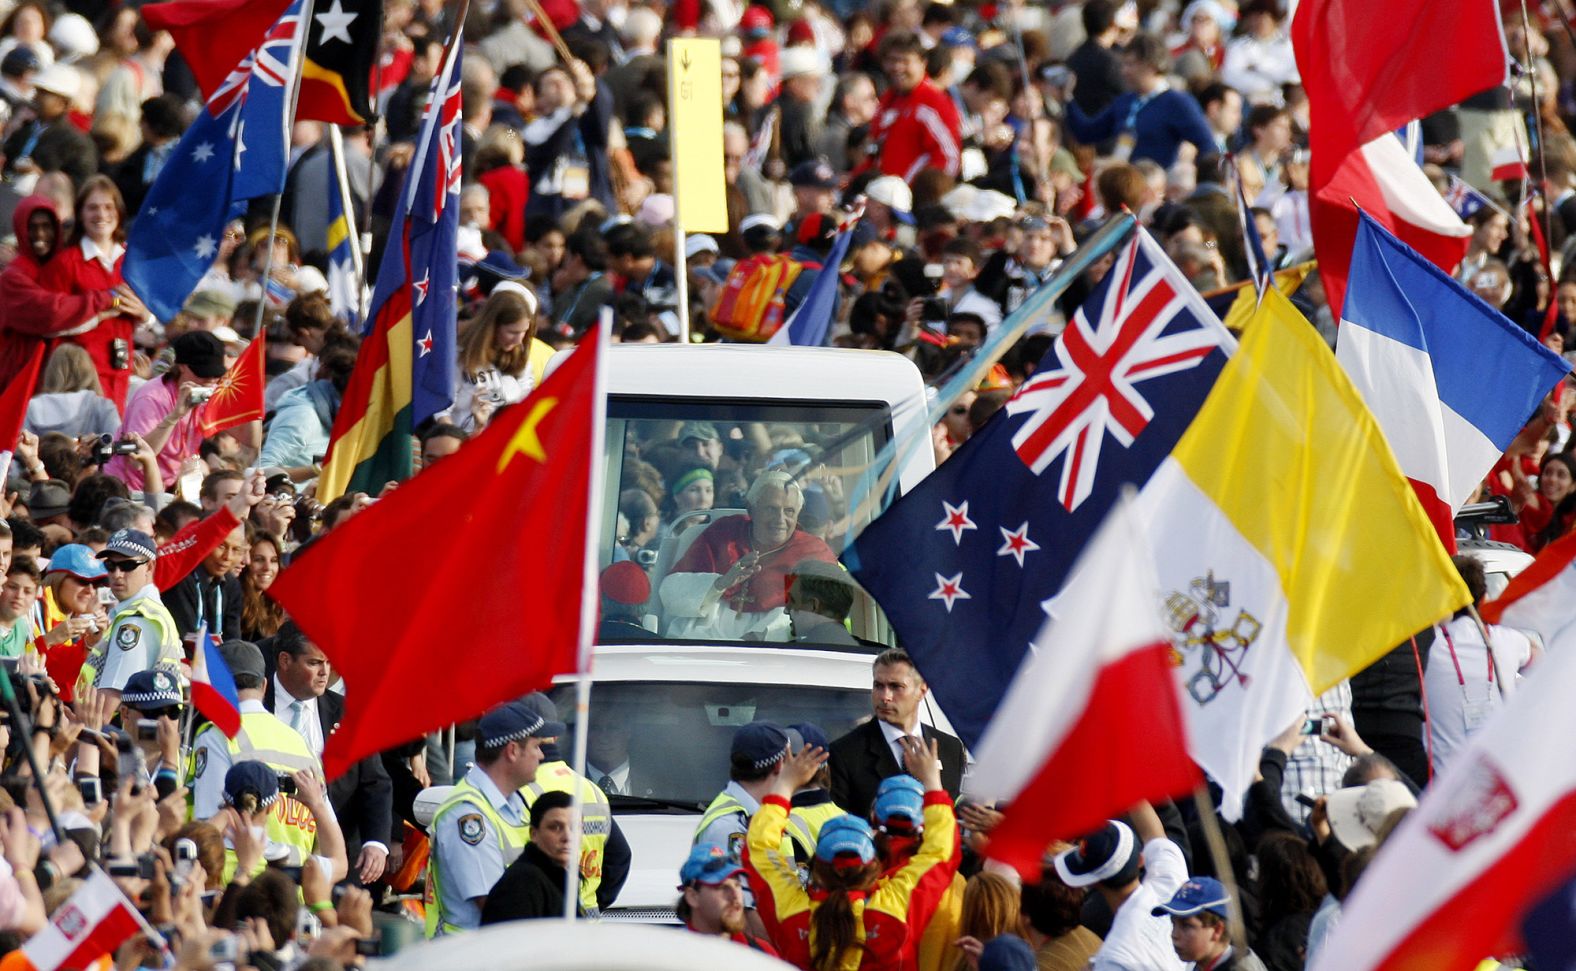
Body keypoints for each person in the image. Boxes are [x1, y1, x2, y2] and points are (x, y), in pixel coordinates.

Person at [744, 735, 960, 971]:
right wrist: (932, 781)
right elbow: (940, 851)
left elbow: (759, 850)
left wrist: (784, 785)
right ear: (873, 866)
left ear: (817, 868)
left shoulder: (793, 913)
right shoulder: (894, 907)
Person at [189, 638, 349, 882]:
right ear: (264, 686)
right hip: (293, 891)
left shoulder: (217, 735)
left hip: (235, 888)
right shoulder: (299, 742)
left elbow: (208, 830)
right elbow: (331, 847)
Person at [263, 623, 392, 886]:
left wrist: (376, 842)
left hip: (336, 857)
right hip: (270, 852)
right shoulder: (256, 704)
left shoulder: (348, 713)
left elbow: (375, 782)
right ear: (285, 661)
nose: (325, 672)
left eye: (328, 662)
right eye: (314, 663)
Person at [425, 701, 558, 936]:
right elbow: (496, 904)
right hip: (472, 956)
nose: (541, 755)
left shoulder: (520, 800)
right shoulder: (467, 817)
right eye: (536, 746)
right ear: (513, 751)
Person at [661, 470, 838, 639]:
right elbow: (669, 593)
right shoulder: (723, 533)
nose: (780, 519)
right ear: (751, 509)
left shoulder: (812, 551)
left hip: (771, 646)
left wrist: (761, 636)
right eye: (771, 509)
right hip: (707, 636)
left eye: (789, 511)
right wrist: (720, 583)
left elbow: (824, 612)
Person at [0, 195, 129, 396]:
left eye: (47, 226)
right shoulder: (13, 276)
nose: (40, 234)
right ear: (20, 230)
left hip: (61, 377)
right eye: (32, 227)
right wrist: (108, 298)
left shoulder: (63, 266)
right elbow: (51, 311)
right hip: (20, 377)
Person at [516, 691, 630, 915]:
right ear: (555, 736)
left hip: (540, 925)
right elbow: (620, 856)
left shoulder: (519, 790)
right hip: (587, 927)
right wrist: (590, 900)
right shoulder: (592, 790)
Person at [1424, 554, 1536, 776]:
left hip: (1438, 784)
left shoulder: (1428, 645)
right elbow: (1539, 660)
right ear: (1484, 598)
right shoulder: (1508, 640)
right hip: (1498, 777)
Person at [40, 175, 144, 410]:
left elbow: (151, 319)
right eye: (92, 208)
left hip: (119, 372)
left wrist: (145, 314)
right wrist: (100, 313)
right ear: (80, 214)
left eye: (108, 207)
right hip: (79, 375)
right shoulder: (66, 261)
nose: (102, 215)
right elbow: (49, 323)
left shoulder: (131, 260)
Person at [829, 648, 965, 817]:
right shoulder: (845, 753)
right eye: (878, 686)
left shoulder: (950, 749)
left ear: (922, 691)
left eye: (896, 687)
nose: (885, 697)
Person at [1054, 804, 1187, 971]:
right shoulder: (1171, 881)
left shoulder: (1114, 958)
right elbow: (1152, 832)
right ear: (1140, 860)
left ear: (1093, 883)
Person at [1063, 33, 1216, 170]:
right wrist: (1068, 98)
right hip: (1124, 186)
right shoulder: (1125, 101)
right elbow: (1086, 133)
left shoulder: (1178, 103)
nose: (1124, 71)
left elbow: (1208, 147)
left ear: (1151, 65)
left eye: (1130, 64)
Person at [102, 331, 229, 491]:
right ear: (182, 366)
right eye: (203, 374)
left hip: (168, 486)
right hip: (129, 487)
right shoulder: (152, 397)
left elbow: (250, 440)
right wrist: (174, 416)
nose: (210, 380)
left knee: (200, 468)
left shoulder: (211, 390)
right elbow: (137, 461)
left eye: (216, 374)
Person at [77, 529, 181, 705]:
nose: (117, 574)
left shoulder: (136, 620)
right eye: (110, 565)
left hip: (115, 729)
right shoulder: (139, 611)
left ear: (149, 566)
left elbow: (111, 698)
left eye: (127, 566)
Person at [451, 282, 553, 431]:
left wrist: (503, 392)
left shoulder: (523, 356)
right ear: (493, 325)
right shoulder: (458, 350)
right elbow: (445, 405)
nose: (518, 340)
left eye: (524, 332)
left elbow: (524, 400)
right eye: (512, 332)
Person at [865, 30, 962, 180]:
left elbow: (949, 159)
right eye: (891, 60)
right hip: (884, 196)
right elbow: (874, 155)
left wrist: (926, 197)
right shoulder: (887, 101)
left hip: (913, 199)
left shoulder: (933, 103)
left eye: (905, 61)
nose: (897, 67)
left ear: (923, 63)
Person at [479, 790, 580, 922]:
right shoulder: (522, 883)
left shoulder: (557, 876)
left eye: (575, 827)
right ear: (534, 834)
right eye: (555, 827)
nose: (567, 837)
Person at [677, 843, 780, 954]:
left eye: (737, 885)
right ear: (693, 897)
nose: (735, 896)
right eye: (722, 887)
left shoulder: (764, 954)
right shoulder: (668, 957)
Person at [1152, 877, 1267, 971]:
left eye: (1186, 926)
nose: (1174, 935)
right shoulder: (1203, 964)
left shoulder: (1241, 968)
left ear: (1217, 930)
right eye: (1173, 924)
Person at [163, 522, 245, 642]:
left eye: (236, 549)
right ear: (205, 542)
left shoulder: (232, 585)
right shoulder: (182, 580)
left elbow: (233, 641)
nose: (228, 556)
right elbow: (186, 640)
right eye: (221, 546)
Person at [0, 557, 40, 658]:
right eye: (13, 587)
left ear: (35, 597)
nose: (19, 596)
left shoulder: (22, 627)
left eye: (27, 591)